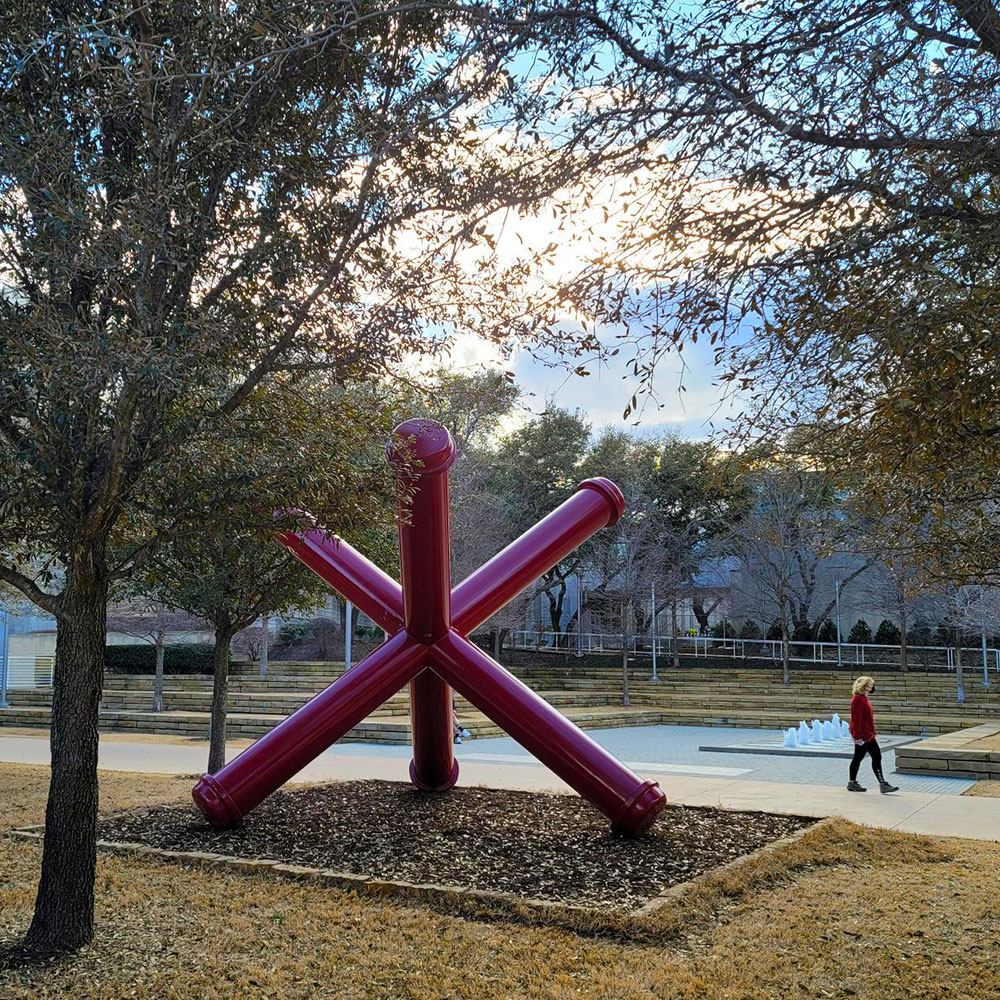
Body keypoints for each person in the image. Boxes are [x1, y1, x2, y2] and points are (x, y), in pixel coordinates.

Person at [848, 675, 898, 793]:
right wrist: (857, 736)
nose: (872, 687)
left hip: (868, 735)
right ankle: (854, 783)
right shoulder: (858, 699)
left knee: (872, 757)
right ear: (864, 687)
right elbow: (856, 719)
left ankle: (879, 784)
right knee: (861, 758)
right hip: (863, 736)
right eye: (870, 685)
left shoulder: (864, 698)